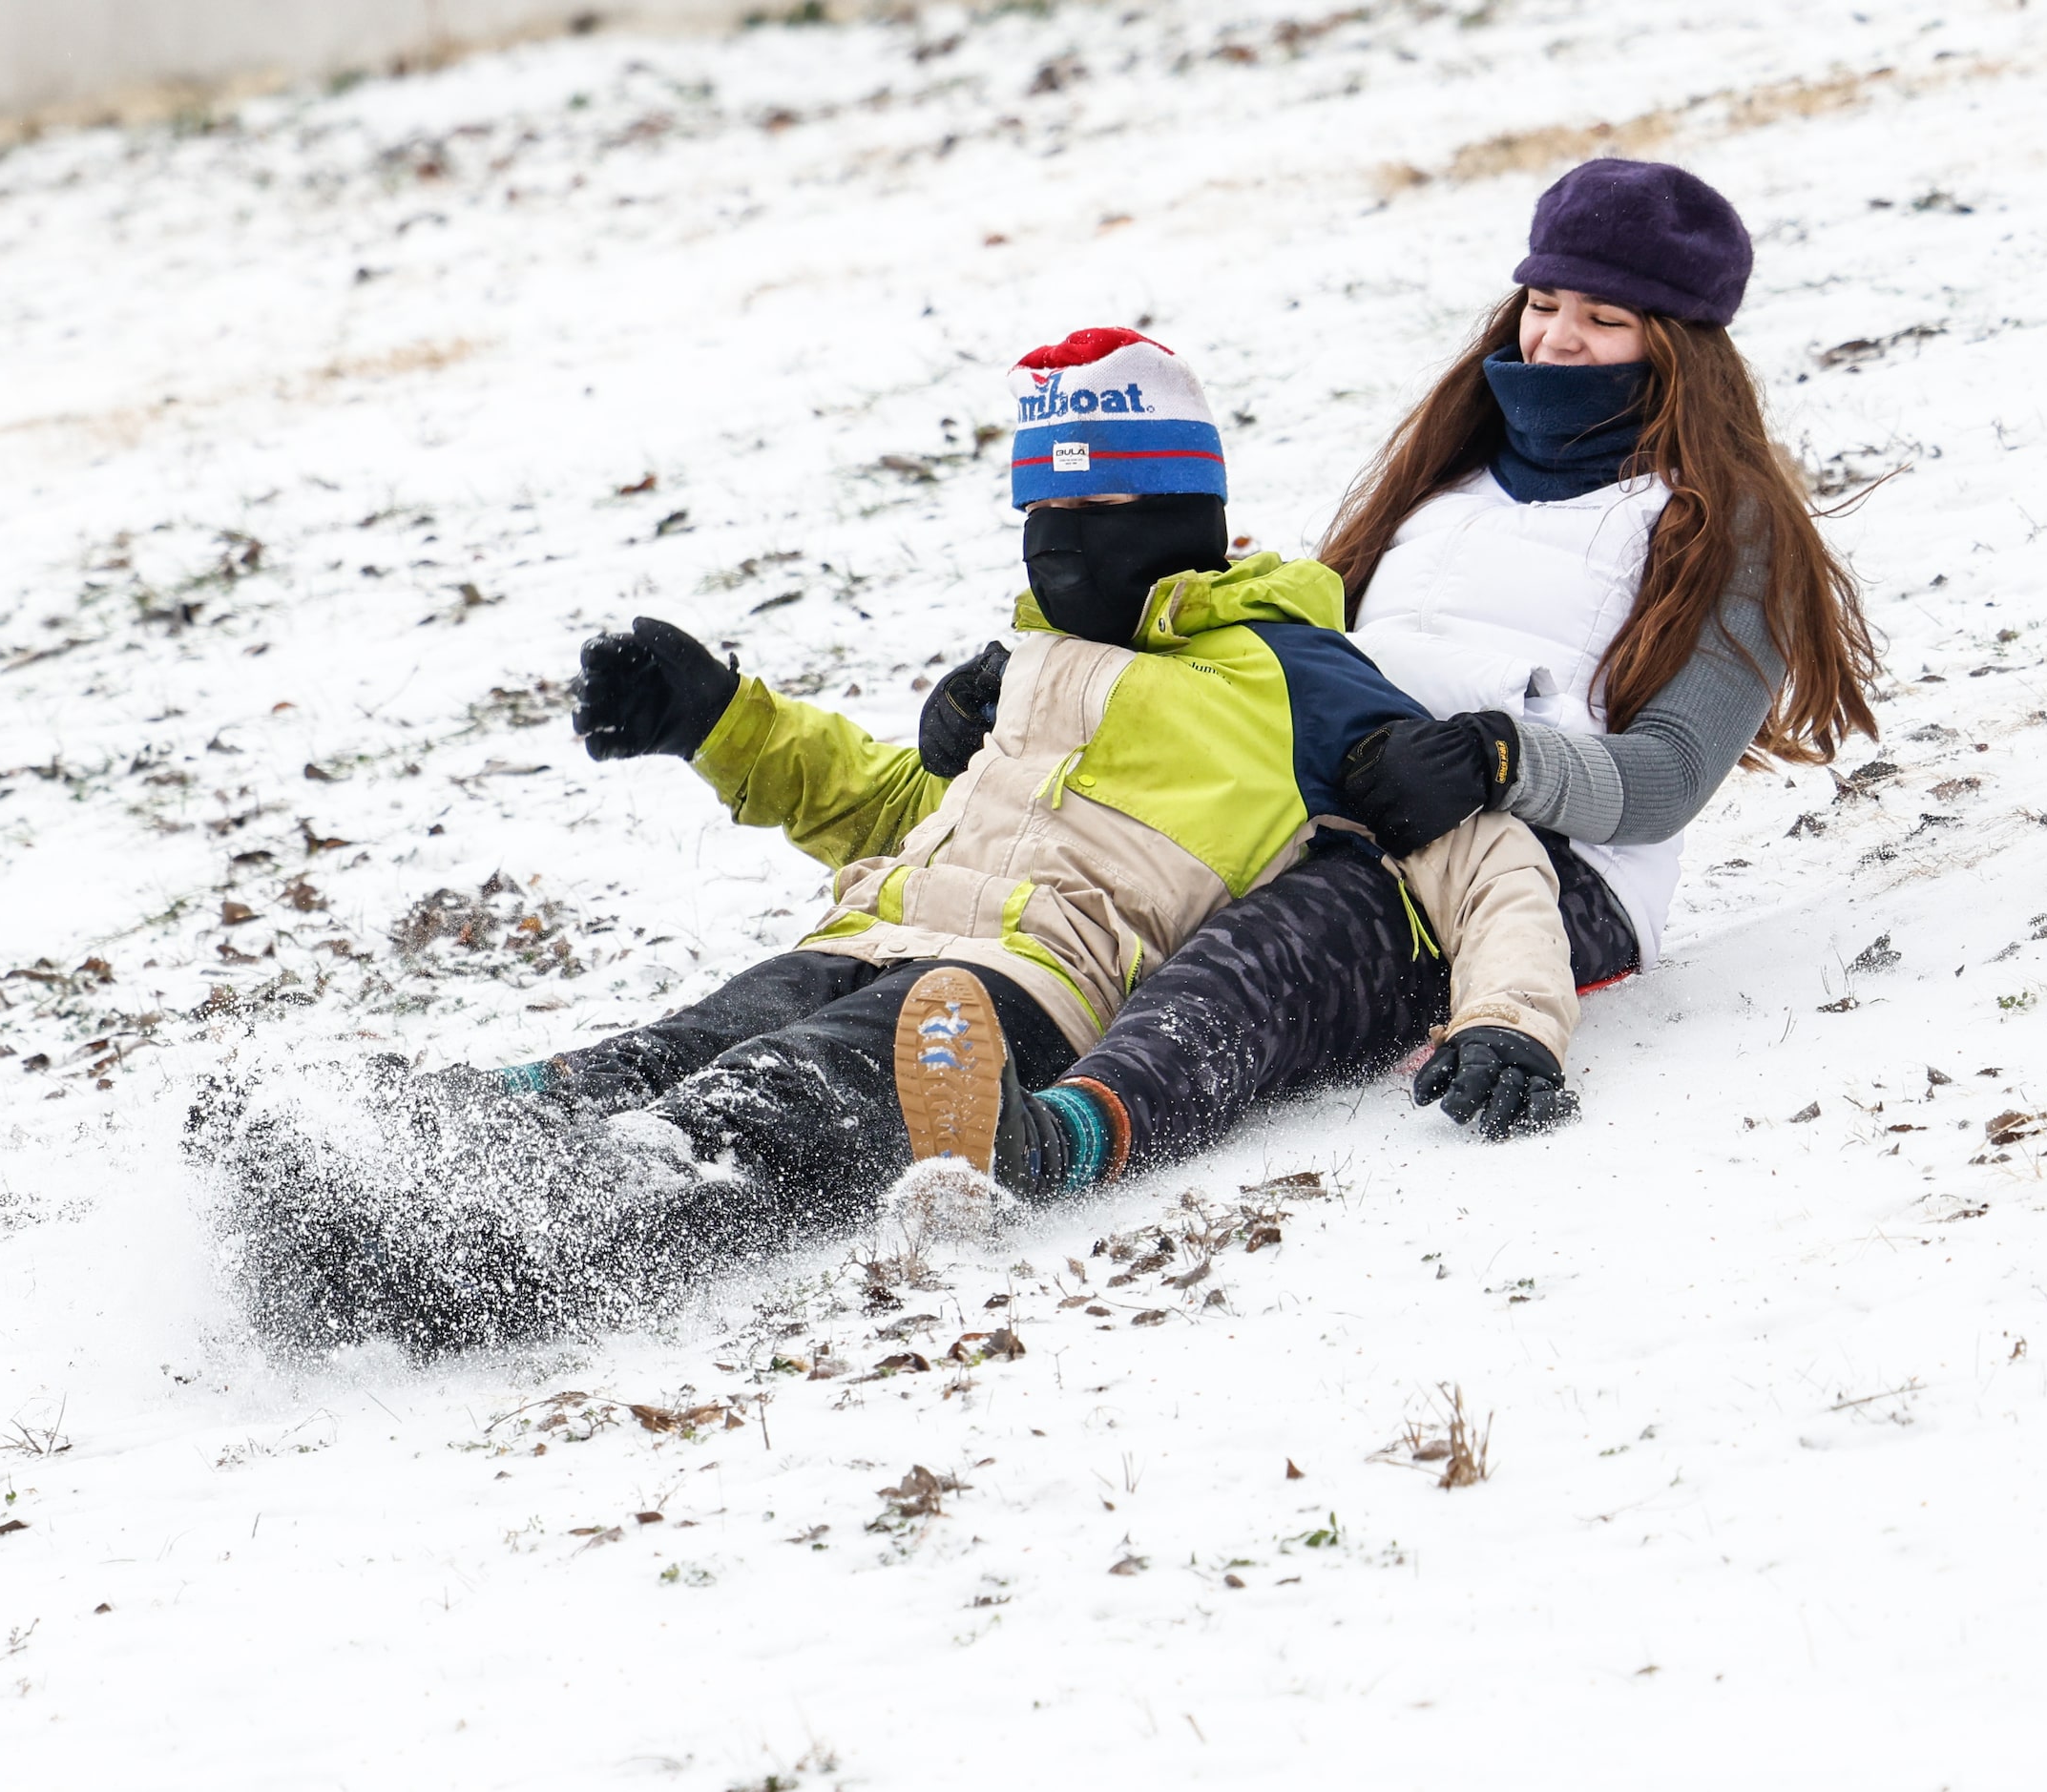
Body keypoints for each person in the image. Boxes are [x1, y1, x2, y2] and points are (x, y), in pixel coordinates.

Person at [191, 329, 1586, 1352]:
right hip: (868, 933)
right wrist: (721, 718)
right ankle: (381, 1155)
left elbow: (1475, 856)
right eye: (1042, 514)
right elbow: (897, 817)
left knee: (768, 1100)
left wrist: (1513, 1018)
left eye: (1100, 513)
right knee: (674, 1045)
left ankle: (514, 1247)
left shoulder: (1293, 677)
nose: (1063, 545)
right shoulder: (1033, 666)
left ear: (1186, 516)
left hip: (1006, 998)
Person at [647, 156, 1881, 1184]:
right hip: (1341, 806)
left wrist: (1498, 758)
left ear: (1679, 345)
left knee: (1265, 962)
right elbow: (1279, 645)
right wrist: (1045, 677)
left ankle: (1058, 1140)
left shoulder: (1727, 528)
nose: (1554, 338)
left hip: (1535, 872)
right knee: (1131, 889)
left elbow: (1666, 775)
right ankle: (915, 1071)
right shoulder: (1440, 480)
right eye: (1541, 300)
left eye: (1601, 318)